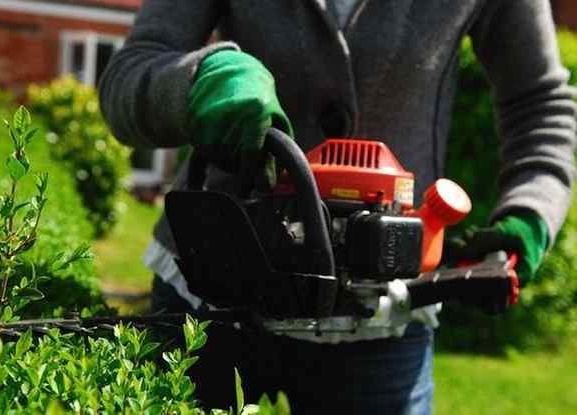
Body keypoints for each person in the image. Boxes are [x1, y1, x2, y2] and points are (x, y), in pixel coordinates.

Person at [99, 1, 576, 413]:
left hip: (384, 311)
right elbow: (129, 73)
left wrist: (531, 210)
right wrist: (196, 81)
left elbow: (538, 101)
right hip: (213, 285)